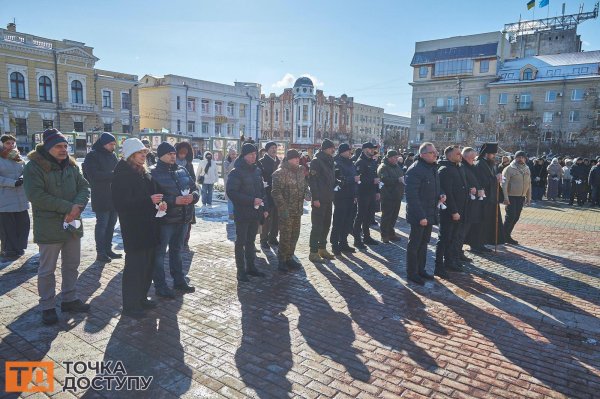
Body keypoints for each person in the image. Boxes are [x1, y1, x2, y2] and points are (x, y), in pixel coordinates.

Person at [23, 129, 91, 325]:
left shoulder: (71, 165)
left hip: (72, 224)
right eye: (58, 146)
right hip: (49, 225)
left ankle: (69, 299)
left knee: (72, 265)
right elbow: (35, 195)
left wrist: (77, 207)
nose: (63, 149)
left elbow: (84, 187)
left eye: (65, 146)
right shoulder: (34, 167)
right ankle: (47, 306)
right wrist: (69, 208)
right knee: (47, 269)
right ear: (47, 147)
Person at [112, 139, 163, 318]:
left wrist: (162, 203)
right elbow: (121, 203)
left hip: (149, 226)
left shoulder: (144, 173)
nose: (144, 156)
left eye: (145, 153)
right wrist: (148, 201)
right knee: (135, 267)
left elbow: (155, 193)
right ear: (131, 155)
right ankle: (130, 305)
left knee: (148, 265)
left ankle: (141, 297)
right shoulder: (122, 175)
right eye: (140, 153)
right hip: (134, 228)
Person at [151, 142, 199, 297]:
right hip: (165, 221)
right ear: (161, 156)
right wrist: (173, 201)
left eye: (173, 153)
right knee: (159, 253)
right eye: (169, 154)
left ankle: (179, 280)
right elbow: (153, 198)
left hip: (183, 218)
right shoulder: (153, 173)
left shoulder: (182, 169)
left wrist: (193, 197)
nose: (173, 156)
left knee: (177, 251)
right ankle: (160, 286)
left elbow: (194, 188)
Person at [226, 143, 268, 282]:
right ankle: (241, 271)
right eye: (251, 154)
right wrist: (251, 201)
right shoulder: (236, 171)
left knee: (251, 241)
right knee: (241, 242)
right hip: (243, 213)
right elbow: (231, 192)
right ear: (244, 155)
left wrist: (264, 208)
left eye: (255, 154)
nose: (254, 156)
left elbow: (262, 191)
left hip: (255, 213)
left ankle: (251, 267)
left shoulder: (256, 170)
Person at [405, 142, 443, 285]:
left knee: (424, 243)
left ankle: (421, 269)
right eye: (432, 153)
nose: (435, 154)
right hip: (419, 215)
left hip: (430, 212)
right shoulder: (415, 170)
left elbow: (436, 187)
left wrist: (441, 194)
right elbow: (412, 196)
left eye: (435, 152)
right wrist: (421, 216)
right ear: (423, 154)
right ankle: (412, 272)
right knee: (415, 244)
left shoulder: (432, 168)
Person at [82, 133, 120, 263]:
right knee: (102, 225)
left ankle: (108, 249)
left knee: (111, 225)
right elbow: (93, 175)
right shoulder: (92, 155)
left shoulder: (113, 155)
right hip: (101, 195)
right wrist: (113, 175)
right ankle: (101, 252)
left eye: (114, 144)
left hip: (114, 196)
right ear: (103, 143)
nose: (113, 147)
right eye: (111, 144)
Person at [271, 149, 307, 272]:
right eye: (294, 158)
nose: (297, 159)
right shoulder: (280, 173)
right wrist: (283, 208)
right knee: (285, 236)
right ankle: (282, 260)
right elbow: (276, 192)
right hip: (286, 211)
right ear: (288, 159)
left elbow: (304, 185)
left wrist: (307, 193)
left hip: (297, 209)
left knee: (295, 235)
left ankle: (289, 257)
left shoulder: (301, 170)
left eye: (298, 157)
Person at [434, 146, 468, 279]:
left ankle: (449, 262)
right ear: (449, 156)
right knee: (444, 239)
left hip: (460, 210)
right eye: (458, 154)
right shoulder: (445, 169)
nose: (460, 155)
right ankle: (438, 266)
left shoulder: (458, 167)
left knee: (453, 238)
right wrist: (454, 211)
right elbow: (448, 192)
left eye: (460, 153)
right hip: (449, 212)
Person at [469, 142, 505, 251]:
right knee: (480, 223)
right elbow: (481, 181)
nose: (494, 156)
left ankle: (482, 243)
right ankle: (476, 244)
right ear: (486, 153)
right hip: (482, 200)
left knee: (486, 223)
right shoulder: (479, 164)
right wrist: (495, 178)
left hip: (490, 199)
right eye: (492, 154)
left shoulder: (491, 164)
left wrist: (497, 178)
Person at [0, 134, 29, 260]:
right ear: (1, 144)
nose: (11, 145)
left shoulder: (18, 157)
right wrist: (12, 183)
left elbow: (25, 171)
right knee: (8, 227)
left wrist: (23, 177)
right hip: (5, 198)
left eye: (12, 143)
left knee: (23, 224)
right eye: (7, 143)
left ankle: (19, 247)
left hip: (20, 198)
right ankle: (8, 250)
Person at [308, 139, 337, 262]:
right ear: (325, 148)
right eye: (331, 148)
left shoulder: (330, 160)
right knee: (317, 226)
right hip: (319, 199)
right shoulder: (316, 161)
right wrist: (315, 198)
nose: (333, 150)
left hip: (328, 198)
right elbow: (312, 181)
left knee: (326, 224)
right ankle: (313, 252)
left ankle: (322, 248)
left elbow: (329, 178)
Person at [330, 143, 358, 255]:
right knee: (338, 221)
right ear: (342, 151)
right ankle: (335, 244)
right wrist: (353, 179)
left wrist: (355, 194)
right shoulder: (336, 162)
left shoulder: (350, 162)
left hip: (351, 195)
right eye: (348, 151)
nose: (350, 152)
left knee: (348, 221)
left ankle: (344, 242)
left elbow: (355, 178)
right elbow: (338, 179)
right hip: (340, 196)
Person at [455, 147, 481, 263]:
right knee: (460, 232)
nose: (474, 160)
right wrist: (471, 189)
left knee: (464, 231)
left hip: (471, 204)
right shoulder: (462, 167)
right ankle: (457, 253)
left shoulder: (470, 167)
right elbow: (460, 186)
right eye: (472, 158)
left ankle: (459, 252)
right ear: (465, 157)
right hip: (465, 205)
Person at [353, 142, 381, 248]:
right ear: (364, 149)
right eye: (370, 149)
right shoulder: (360, 162)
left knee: (368, 216)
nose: (372, 151)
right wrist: (372, 181)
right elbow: (358, 179)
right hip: (363, 192)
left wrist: (377, 191)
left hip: (371, 192)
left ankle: (367, 237)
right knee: (360, 216)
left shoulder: (372, 161)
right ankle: (357, 239)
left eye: (373, 149)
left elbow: (375, 176)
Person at [502, 151, 531, 245]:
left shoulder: (527, 168)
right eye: (519, 157)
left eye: (523, 157)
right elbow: (504, 184)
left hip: (521, 197)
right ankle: (503, 236)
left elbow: (529, 184)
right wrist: (505, 197)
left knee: (516, 217)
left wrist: (528, 197)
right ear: (515, 158)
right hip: (511, 196)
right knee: (511, 216)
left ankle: (506, 235)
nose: (521, 159)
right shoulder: (509, 169)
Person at [377, 149, 405, 243]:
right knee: (386, 217)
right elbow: (385, 180)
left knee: (393, 217)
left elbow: (401, 176)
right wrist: (398, 180)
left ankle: (391, 233)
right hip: (388, 195)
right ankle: (384, 235)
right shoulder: (383, 167)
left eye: (397, 157)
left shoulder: (396, 166)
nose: (396, 159)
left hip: (397, 195)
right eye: (394, 157)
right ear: (389, 158)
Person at [258, 142, 281, 248]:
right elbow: (259, 177)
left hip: (277, 193)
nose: (274, 150)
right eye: (272, 148)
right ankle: (263, 239)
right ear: (267, 150)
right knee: (266, 217)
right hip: (266, 193)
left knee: (276, 217)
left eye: (275, 148)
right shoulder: (261, 162)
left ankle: (273, 237)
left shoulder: (279, 161)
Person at [175, 142, 196, 246]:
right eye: (181, 153)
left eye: (185, 153)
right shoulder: (172, 163)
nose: (182, 155)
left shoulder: (189, 164)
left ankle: (185, 240)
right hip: (177, 196)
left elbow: (193, 179)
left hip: (188, 195)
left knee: (188, 220)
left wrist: (190, 190)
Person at [223, 148, 238, 220]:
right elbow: (228, 170)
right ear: (229, 154)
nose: (234, 156)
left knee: (236, 199)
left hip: (237, 183)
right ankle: (231, 214)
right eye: (232, 154)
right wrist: (234, 162)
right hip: (229, 182)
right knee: (230, 199)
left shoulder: (237, 161)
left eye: (235, 154)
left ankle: (235, 213)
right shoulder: (226, 162)